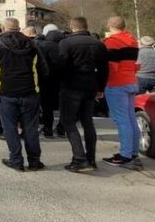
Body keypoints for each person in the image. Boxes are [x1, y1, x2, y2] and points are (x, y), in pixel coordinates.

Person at [0, 18, 47, 172]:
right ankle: (34, 161)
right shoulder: (32, 44)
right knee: (31, 128)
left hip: (5, 92)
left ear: (3, 28)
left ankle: (16, 160)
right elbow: (44, 69)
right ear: (18, 28)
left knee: (10, 128)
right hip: (30, 92)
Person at [57, 17, 108, 172]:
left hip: (71, 85)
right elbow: (104, 69)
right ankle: (91, 158)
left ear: (72, 27)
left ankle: (79, 158)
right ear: (86, 26)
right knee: (88, 122)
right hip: (91, 84)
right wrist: (101, 88)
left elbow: (61, 66)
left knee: (68, 122)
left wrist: (60, 83)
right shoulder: (98, 44)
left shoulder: (66, 43)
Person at [102, 16, 142, 168]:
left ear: (109, 25)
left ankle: (125, 154)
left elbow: (111, 66)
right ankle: (133, 152)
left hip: (116, 83)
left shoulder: (112, 42)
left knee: (122, 120)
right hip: (131, 81)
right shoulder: (132, 40)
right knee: (131, 119)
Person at [35, 23, 64, 138]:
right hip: (63, 80)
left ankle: (48, 128)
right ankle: (61, 128)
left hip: (46, 80)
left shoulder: (43, 45)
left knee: (47, 106)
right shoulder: (65, 45)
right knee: (64, 106)